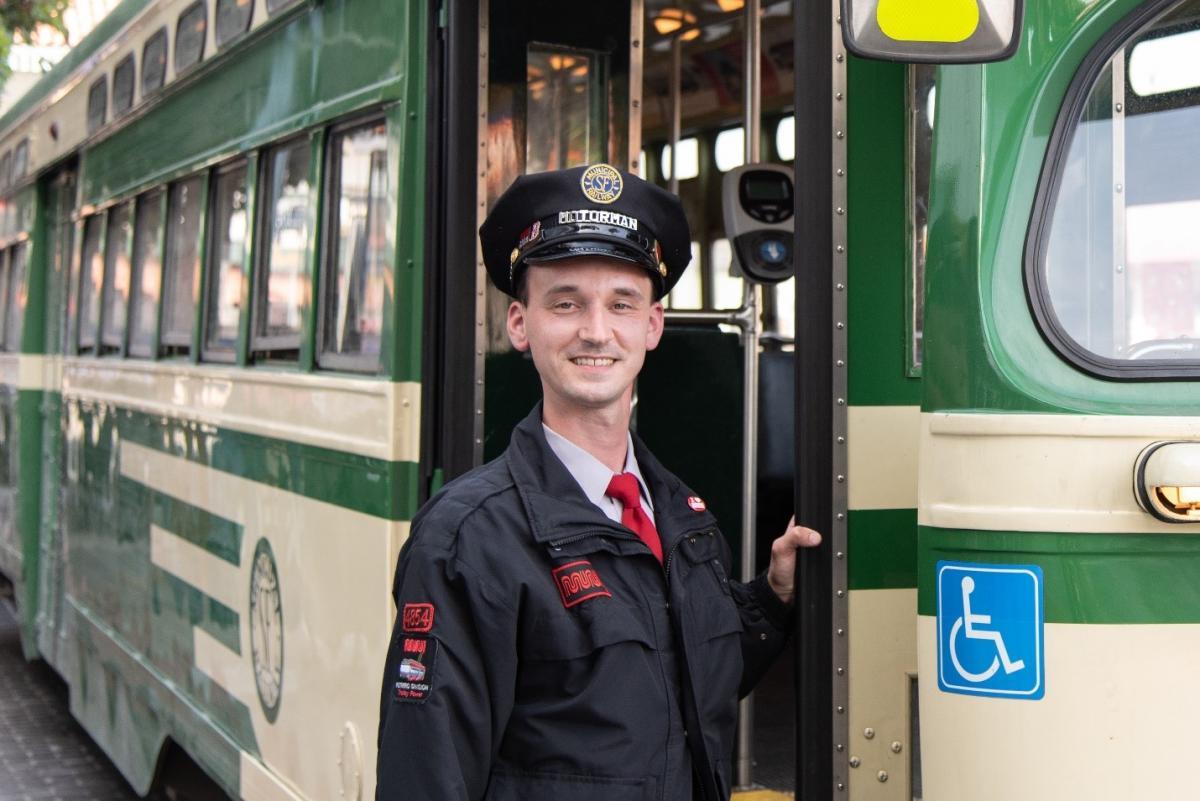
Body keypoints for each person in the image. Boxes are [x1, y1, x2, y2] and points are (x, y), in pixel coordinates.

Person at [376, 163, 821, 801]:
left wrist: (773, 598)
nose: (595, 330)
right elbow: (427, 773)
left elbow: (677, 684)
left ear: (652, 326)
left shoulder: (679, 514)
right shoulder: (467, 539)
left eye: (621, 304)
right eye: (565, 303)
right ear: (520, 325)